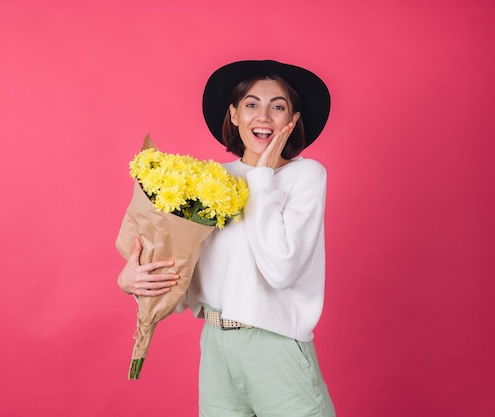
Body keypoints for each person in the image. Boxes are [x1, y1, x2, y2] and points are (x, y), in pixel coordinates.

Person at [118, 59, 335, 417]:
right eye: (251, 104)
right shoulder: (211, 182)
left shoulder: (306, 176)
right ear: (233, 114)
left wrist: (262, 177)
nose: (263, 117)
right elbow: (187, 275)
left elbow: (282, 270)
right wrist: (133, 281)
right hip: (216, 347)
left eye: (277, 107)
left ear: (292, 121)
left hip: (274, 347)